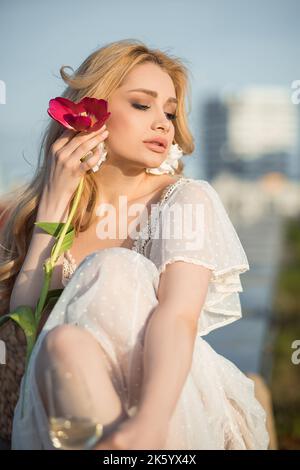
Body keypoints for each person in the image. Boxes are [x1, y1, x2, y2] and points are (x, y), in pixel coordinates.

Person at [1, 39, 269, 450]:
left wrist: (149, 422)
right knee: (61, 341)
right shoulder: (52, 210)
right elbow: (24, 333)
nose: (163, 122)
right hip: (66, 394)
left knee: (113, 268)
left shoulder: (184, 198)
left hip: (166, 403)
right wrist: (53, 206)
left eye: (170, 111)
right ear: (92, 111)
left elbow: (179, 318)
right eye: (143, 105)